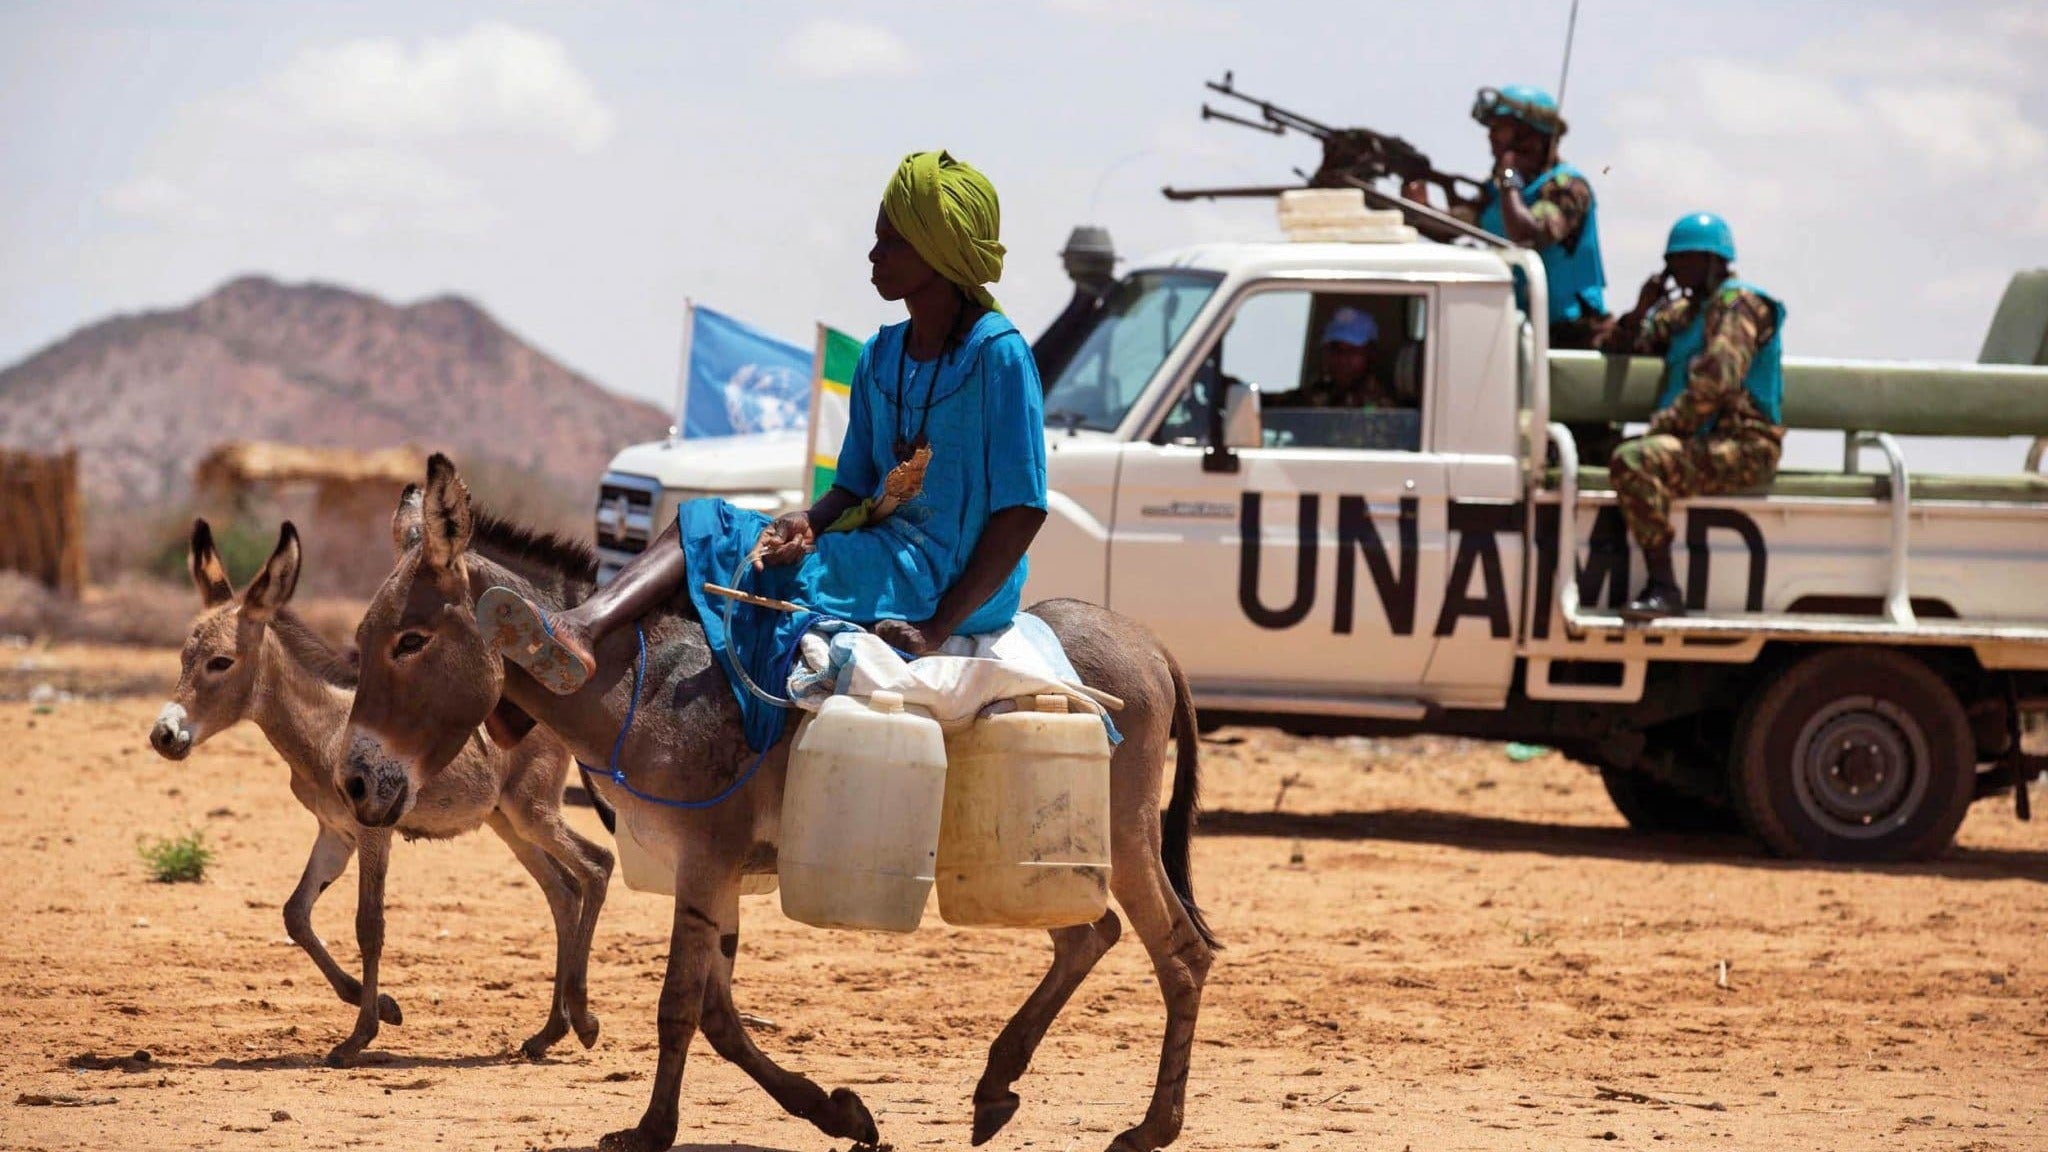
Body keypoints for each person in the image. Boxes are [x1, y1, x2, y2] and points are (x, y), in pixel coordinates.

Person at [479, 150, 1048, 738]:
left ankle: (572, 641)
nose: (873, 254)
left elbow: (1022, 510)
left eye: (891, 241)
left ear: (936, 250)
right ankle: (560, 664)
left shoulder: (997, 356)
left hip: (953, 581)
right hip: (884, 555)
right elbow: (853, 486)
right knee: (724, 547)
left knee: (712, 538)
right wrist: (807, 522)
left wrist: (937, 626)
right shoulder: (882, 355)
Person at [1595, 212, 1787, 621]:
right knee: (1606, 450)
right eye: (1673, 262)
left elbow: (1717, 381)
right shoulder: (1686, 313)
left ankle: (1663, 586)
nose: (1677, 269)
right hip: (1701, 440)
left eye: (1687, 260)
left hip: (1744, 445)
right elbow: (1621, 347)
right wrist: (1642, 307)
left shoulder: (1738, 306)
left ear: (1714, 261)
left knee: (1636, 461)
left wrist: (1660, 428)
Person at [1403, 85, 1607, 349]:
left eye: (1500, 128)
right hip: (1517, 328)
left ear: (1529, 136)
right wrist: (1418, 209)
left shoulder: (1567, 188)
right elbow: (1453, 227)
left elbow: (1526, 235)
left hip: (1573, 335)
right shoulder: (1498, 191)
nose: (1491, 137)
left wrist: (1509, 177)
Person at [1265, 307, 1408, 409]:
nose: (1342, 359)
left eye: (1352, 351)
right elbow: (1276, 407)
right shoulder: (1318, 393)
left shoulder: (1383, 407)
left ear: (1371, 354)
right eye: (1335, 350)